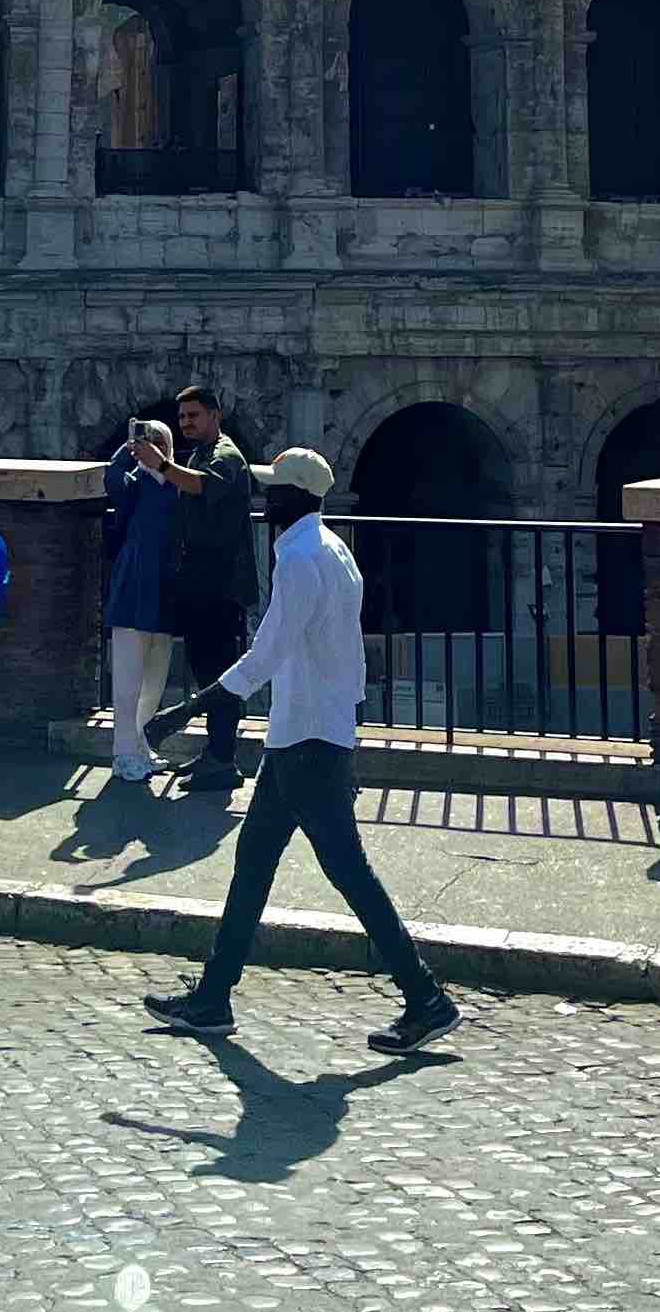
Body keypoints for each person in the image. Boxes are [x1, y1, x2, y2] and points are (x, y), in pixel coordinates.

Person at [140, 445, 460, 1055]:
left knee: (348, 873)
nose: (262, 502)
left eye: (270, 492)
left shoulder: (300, 560)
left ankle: (425, 998)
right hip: (306, 735)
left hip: (309, 742)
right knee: (254, 862)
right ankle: (213, 997)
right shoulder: (333, 551)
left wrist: (186, 708)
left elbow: (267, 653)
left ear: (291, 499)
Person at [161, 383, 255, 793]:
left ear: (215, 415)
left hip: (222, 586)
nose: (185, 423)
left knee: (221, 674)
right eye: (181, 417)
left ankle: (223, 760)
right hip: (202, 582)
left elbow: (206, 485)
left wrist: (162, 465)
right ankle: (216, 753)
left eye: (193, 415)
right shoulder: (200, 453)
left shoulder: (226, 455)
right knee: (206, 673)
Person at [104, 415, 179, 779]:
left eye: (159, 442)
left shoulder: (175, 482)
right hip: (134, 583)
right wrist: (129, 445)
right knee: (128, 678)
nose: (154, 448)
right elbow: (112, 476)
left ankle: (140, 743)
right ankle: (123, 753)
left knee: (156, 674)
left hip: (164, 585)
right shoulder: (132, 482)